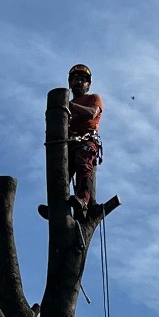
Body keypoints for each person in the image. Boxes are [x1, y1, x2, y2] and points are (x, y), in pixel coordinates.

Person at [67, 63, 103, 212]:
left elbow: (92, 113)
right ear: (70, 83)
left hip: (86, 140)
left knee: (83, 163)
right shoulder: (66, 105)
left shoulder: (93, 98)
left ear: (88, 85)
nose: (79, 81)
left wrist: (71, 106)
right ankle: (57, 205)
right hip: (69, 142)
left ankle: (83, 200)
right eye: (75, 78)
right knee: (61, 171)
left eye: (83, 79)